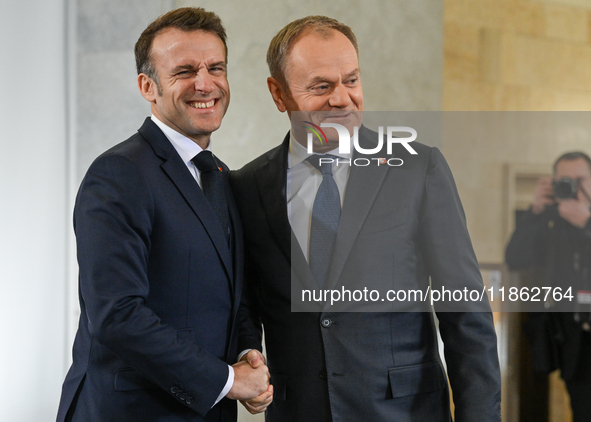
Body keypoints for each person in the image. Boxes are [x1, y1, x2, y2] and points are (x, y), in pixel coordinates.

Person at [230, 15, 501, 422]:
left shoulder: (417, 168)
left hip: (405, 412)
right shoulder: (247, 186)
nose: (342, 99)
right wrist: (247, 355)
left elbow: (465, 313)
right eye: (321, 86)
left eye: (351, 80)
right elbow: (243, 303)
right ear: (278, 93)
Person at [56, 8, 271, 422]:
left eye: (215, 68)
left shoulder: (220, 177)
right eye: (185, 71)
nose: (205, 83)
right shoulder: (118, 173)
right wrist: (228, 380)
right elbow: (117, 315)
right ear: (147, 86)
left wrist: (248, 355)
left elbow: (232, 294)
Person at [505, 151, 591, 422]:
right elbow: (515, 258)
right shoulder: (550, 221)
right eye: (565, 181)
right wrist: (535, 211)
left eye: (580, 179)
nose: (573, 186)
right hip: (575, 344)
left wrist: (587, 223)